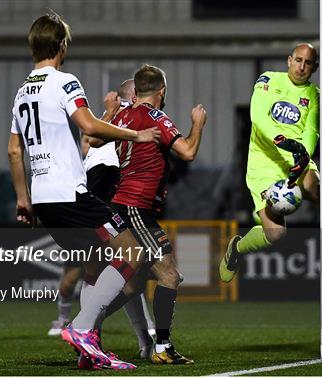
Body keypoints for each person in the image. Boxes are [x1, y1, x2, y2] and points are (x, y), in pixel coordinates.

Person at [8, 13, 160, 370]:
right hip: (69, 192)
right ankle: (82, 328)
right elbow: (88, 125)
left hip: (43, 199)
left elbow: (15, 150)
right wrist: (135, 135)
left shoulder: (21, 91)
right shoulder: (64, 81)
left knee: (93, 266)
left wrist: (23, 199)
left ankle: (87, 350)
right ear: (62, 45)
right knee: (131, 254)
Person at [219, 43, 322, 283]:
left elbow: (312, 130)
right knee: (275, 234)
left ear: (314, 68)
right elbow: (258, 116)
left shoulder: (314, 95)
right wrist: (283, 141)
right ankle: (236, 248)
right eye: (298, 60)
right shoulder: (268, 80)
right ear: (289, 60)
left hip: (297, 159)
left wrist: (303, 154)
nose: (301, 66)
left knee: (318, 189)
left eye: (307, 63)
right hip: (263, 166)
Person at [91, 64, 206, 365]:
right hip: (134, 208)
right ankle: (162, 347)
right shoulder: (154, 116)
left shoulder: (121, 117)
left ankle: (87, 322)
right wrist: (198, 124)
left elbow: (93, 140)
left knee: (133, 284)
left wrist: (107, 111)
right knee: (170, 275)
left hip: (121, 205)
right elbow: (188, 152)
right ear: (161, 92)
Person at [49, 79, 156, 361]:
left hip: (90, 192)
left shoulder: (117, 120)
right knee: (131, 268)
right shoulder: (123, 118)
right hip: (102, 189)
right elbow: (91, 141)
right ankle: (86, 328)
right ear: (133, 96)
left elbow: (88, 144)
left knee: (104, 271)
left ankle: (94, 346)